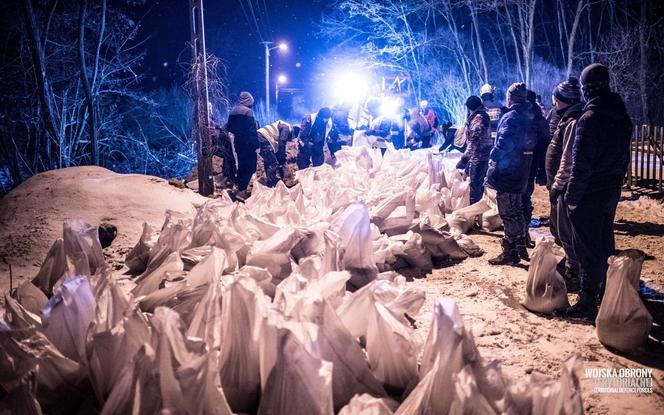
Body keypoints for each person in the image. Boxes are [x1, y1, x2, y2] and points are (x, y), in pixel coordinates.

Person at [561, 63, 633, 319]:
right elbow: (624, 157)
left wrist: (571, 197)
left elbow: (581, 164)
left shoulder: (590, 119)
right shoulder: (621, 117)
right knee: (603, 242)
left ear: (587, 89)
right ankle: (604, 291)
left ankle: (588, 300)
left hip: (590, 192)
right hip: (609, 190)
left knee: (587, 247)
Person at [486, 83, 534, 265]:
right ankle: (520, 244)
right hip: (522, 170)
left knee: (508, 212)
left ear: (511, 98)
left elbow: (505, 142)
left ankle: (510, 252)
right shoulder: (528, 115)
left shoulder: (512, 117)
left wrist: (495, 155)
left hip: (508, 171)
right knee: (517, 209)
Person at [544, 77, 583, 291]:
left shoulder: (573, 122)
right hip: (559, 186)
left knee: (567, 232)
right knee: (560, 230)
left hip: (565, 187)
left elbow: (568, 158)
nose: (553, 101)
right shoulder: (565, 118)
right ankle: (571, 264)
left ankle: (574, 272)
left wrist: (558, 185)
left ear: (561, 100)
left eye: (556, 98)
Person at [521, 90, 550, 247]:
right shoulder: (538, 119)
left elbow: (543, 145)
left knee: (521, 199)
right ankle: (523, 233)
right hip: (530, 166)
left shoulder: (530, 119)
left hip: (525, 165)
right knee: (524, 199)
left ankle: (521, 234)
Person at [456, 95, 492, 205]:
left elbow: (474, 143)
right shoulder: (479, 117)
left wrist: (463, 160)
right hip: (480, 156)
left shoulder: (478, 120)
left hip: (479, 157)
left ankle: (476, 211)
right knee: (477, 184)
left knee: (475, 185)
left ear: (470, 107)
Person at [226, 91, 259, 194]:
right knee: (250, 166)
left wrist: (238, 132)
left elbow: (229, 127)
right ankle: (242, 190)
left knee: (241, 165)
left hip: (238, 143)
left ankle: (238, 186)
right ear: (249, 101)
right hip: (248, 144)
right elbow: (251, 130)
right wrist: (256, 145)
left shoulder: (232, 111)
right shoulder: (248, 112)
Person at [257, 120, 292, 187]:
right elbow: (282, 142)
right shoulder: (287, 127)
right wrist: (282, 159)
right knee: (273, 163)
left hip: (259, 137)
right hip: (263, 138)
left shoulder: (280, 125)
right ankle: (272, 185)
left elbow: (277, 147)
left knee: (268, 161)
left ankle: (269, 181)